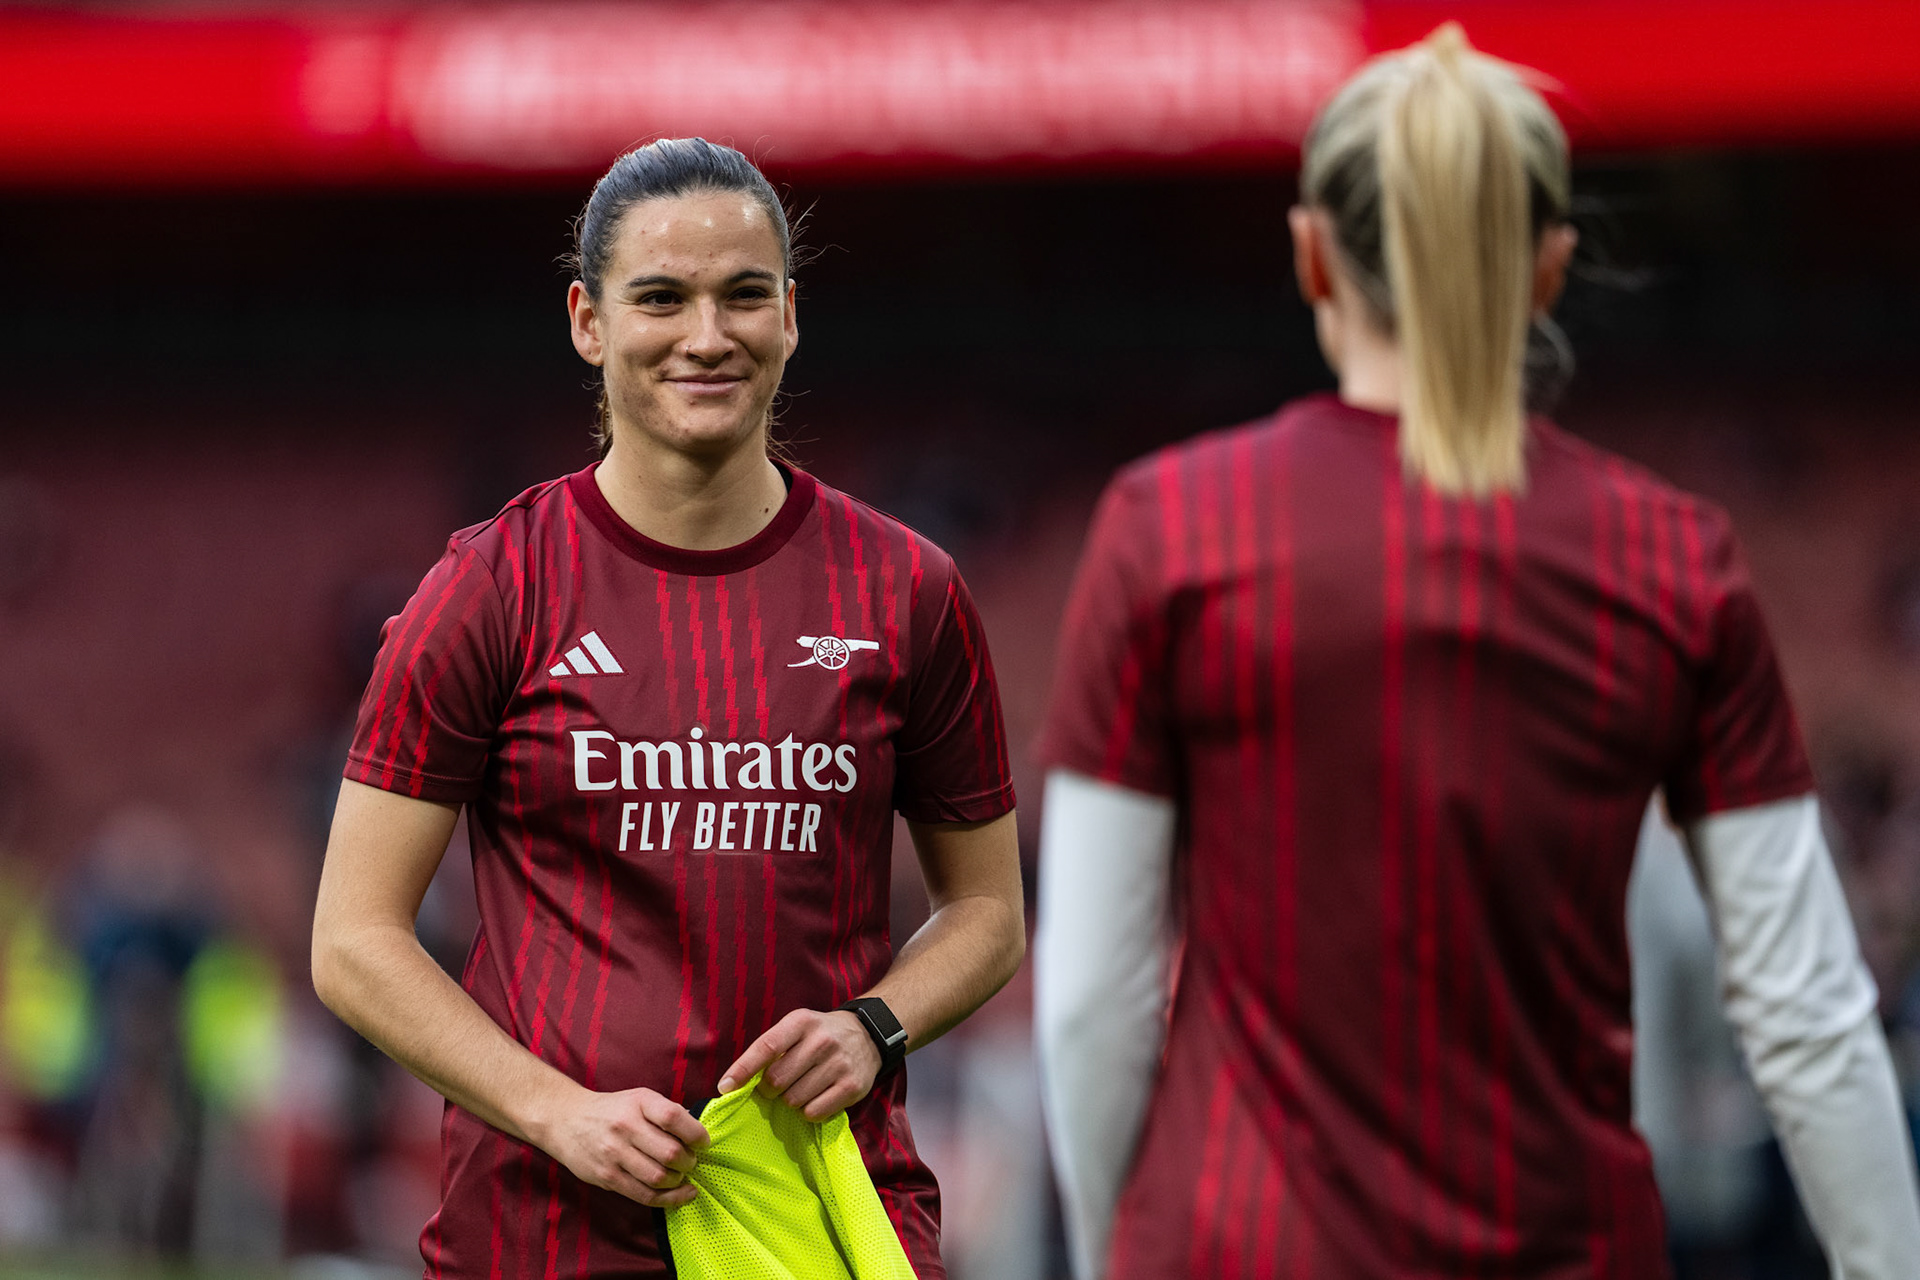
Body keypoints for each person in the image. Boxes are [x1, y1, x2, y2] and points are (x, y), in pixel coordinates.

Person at [1033, 25, 1920, 1280]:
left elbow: (1092, 991)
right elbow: (1808, 1008)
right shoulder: (1672, 558)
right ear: (1551, 269)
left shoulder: (1171, 531)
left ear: (1312, 257)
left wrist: (1106, 1245)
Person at [311, 137, 1024, 1279]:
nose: (707, 334)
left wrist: (872, 1024)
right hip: (540, 1229)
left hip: (821, 1211)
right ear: (590, 322)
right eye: (662, 298)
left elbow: (987, 913)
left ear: (790, 316)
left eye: (744, 294)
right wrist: (556, 1111)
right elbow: (352, 942)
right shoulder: (489, 587)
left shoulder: (909, 590)